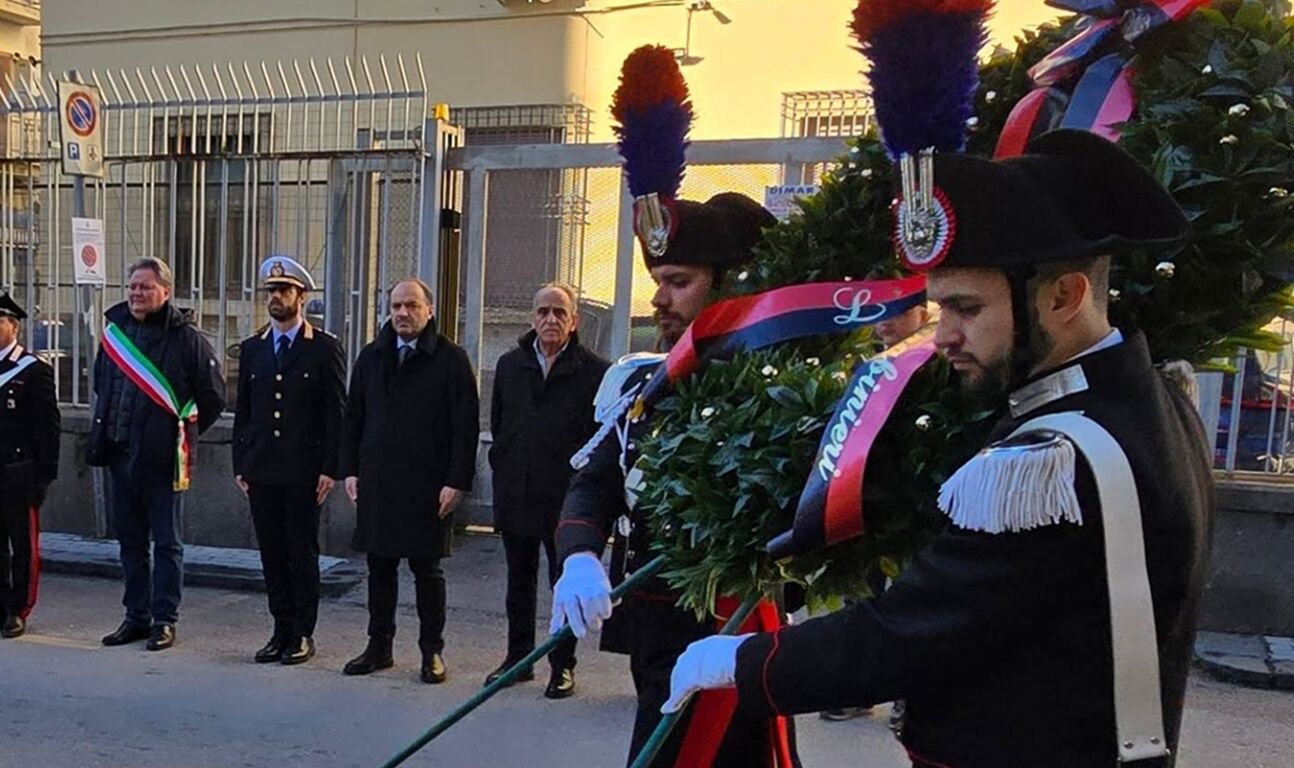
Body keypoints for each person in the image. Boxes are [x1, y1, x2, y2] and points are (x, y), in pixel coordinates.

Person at [662, 130, 1214, 768]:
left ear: (1063, 297)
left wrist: (744, 661)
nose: (942, 335)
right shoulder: (1150, 401)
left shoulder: (1051, 462)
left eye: (966, 308)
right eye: (939, 307)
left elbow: (911, 633)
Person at [551, 191, 799, 767]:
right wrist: (579, 555)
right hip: (654, 633)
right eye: (658, 280)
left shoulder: (771, 392)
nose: (659, 299)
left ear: (729, 285)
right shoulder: (650, 386)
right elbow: (597, 480)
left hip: (729, 630)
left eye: (678, 281)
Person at [339, 277, 479, 684]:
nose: (402, 313)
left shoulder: (451, 360)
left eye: (412, 306)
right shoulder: (372, 356)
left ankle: (431, 651)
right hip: (379, 482)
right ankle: (378, 647)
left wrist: (457, 480)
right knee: (379, 569)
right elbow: (354, 419)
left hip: (428, 486)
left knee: (427, 571)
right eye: (396, 305)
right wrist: (351, 469)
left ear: (429, 311)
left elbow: (464, 426)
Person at [88, 257, 226, 652]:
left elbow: (213, 398)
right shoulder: (116, 333)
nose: (136, 293)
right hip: (119, 454)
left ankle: (164, 619)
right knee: (130, 543)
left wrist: (181, 434)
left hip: (164, 462)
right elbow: (103, 385)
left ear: (166, 292)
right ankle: (136, 616)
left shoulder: (187, 340)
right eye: (132, 286)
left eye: (145, 287)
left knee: (167, 544)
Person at [485, 283, 609, 699]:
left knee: (564, 588)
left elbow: (599, 437)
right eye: (543, 311)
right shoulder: (509, 366)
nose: (550, 319)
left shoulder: (595, 371)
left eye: (560, 312)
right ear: (532, 318)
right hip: (517, 493)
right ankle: (517, 660)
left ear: (574, 321)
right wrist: (503, 464)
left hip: (566, 501)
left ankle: (562, 665)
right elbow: (500, 424)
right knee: (518, 584)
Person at [820, 298, 932, 725]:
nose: (886, 322)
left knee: (913, 599)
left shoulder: (935, 363)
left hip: (914, 504)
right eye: (880, 310)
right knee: (860, 600)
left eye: (900, 310)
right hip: (865, 500)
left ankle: (909, 692)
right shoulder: (863, 369)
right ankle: (857, 688)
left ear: (924, 311)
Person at [233, 256, 346, 666]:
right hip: (263, 468)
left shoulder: (323, 347)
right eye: (271, 291)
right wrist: (240, 462)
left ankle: (302, 632)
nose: (276, 298)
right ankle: (279, 629)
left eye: (284, 290)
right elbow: (243, 411)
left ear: (301, 296)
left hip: (303, 470)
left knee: (301, 552)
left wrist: (330, 468)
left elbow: (336, 413)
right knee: (272, 554)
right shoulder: (253, 349)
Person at [0, 291, 59, 639]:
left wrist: (45, 474)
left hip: (19, 470)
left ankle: (17, 608)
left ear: (13, 326)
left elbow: (48, 426)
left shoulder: (33, 370)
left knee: (23, 545)